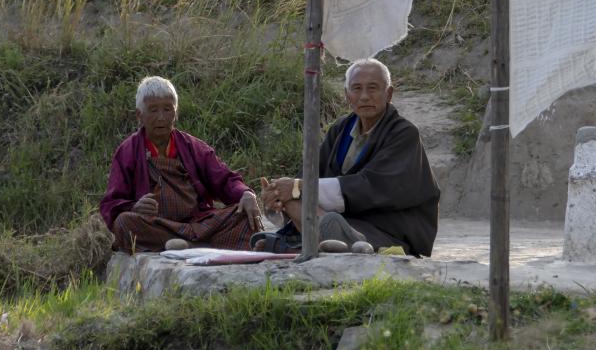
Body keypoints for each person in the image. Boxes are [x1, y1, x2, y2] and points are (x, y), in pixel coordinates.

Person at [259, 59, 439, 255]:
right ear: (347, 95)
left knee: (301, 193)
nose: (364, 96)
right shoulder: (342, 128)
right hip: (340, 218)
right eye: (356, 89)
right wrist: (278, 194)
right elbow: (310, 173)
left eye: (372, 88)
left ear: (388, 94)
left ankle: (341, 239)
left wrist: (299, 186)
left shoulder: (404, 133)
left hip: (386, 227)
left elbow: (371, 187)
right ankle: (332, 238)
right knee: (293, 197)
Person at [100, 76, 262, 253]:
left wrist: (246, 194)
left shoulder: (192, 146)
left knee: (244, 215)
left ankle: (188, 245)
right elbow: (111, 204)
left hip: (197, 222)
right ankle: (200, 244)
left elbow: (224, 179)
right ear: (140, 115)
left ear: (175, 113)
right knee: (124, 223)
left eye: (167, 109)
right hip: (157, 225)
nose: (161, 118)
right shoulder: (128, 151)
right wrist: (134, 207)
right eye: (153, 110)